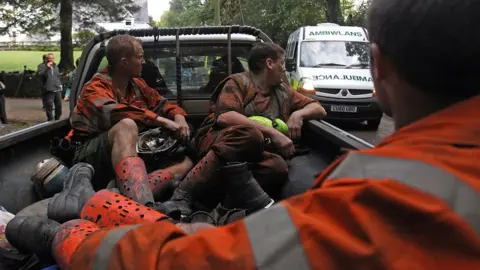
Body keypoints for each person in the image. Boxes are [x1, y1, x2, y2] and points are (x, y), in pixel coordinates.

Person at [6, 0, 480, 267]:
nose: (144, 65)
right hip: (99, 147)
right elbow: (141, 115)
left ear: (378, 66)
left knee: (267, 164)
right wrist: (173, 122)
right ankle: (132, 202)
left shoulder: (379, 195)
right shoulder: (100, 86)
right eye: (137, 59)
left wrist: (175, 114)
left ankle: (98, 200)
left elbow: (163, 103)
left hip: (150, 178)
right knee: (231, 140)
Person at [163, 42, 326, 216]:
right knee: (250, 134)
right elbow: (225, 116)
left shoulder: (283, 91)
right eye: (282, 63)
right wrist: (273, 133)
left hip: (252, 154)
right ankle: (182, 195)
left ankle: (222, 207)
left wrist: (298, 115)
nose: (284, 69)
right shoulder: (238, 82)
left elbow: (319, 109)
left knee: (277, 166)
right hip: (218, 141)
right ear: (269, 63)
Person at [59, 34, 196, 217]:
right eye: (140, 56)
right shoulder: (95, 88)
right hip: (91, 156)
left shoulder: (138, 85)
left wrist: (179, 118)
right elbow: (118, 112)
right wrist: (162, 120)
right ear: (124, 62)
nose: (143, 61)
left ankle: (124, 192)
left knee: (187, 162)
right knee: (127, 125)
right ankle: (143, 206)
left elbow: (164, 104)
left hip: (127, 155)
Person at [37, 53, 62, 121]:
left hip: (57, 88)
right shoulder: (42, 66)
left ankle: (57, 119)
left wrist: (60, 85)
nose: (51, 59)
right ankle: (50, 119)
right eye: (49, 58)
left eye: (52, 58)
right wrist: (47, 68)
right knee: (49, 105)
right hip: (48, 89)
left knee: (59, 105)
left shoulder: (55, 66)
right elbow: (40, 75)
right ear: (46, 59)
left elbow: (57, 76)